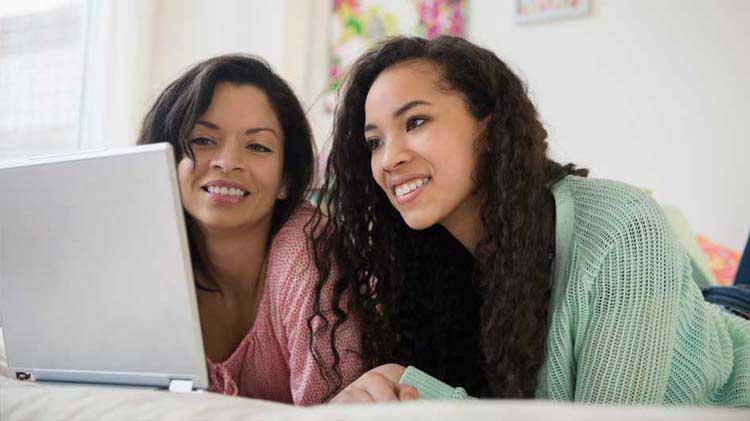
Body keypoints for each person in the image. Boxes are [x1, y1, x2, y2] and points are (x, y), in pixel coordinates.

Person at [310, 36, 750, 406]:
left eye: (416, 121)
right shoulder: (428, 261)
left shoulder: (621, 226)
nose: (389, 159)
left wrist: (417, 393)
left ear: (488, 130)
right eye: (373, 142)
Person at [137, 54, 363, 405]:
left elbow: (330, 412)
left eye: (257, 146)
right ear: (166, 157)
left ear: (286, 179)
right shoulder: (145, 252)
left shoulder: (309, 253)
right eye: (202, 140)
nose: (227, 162)